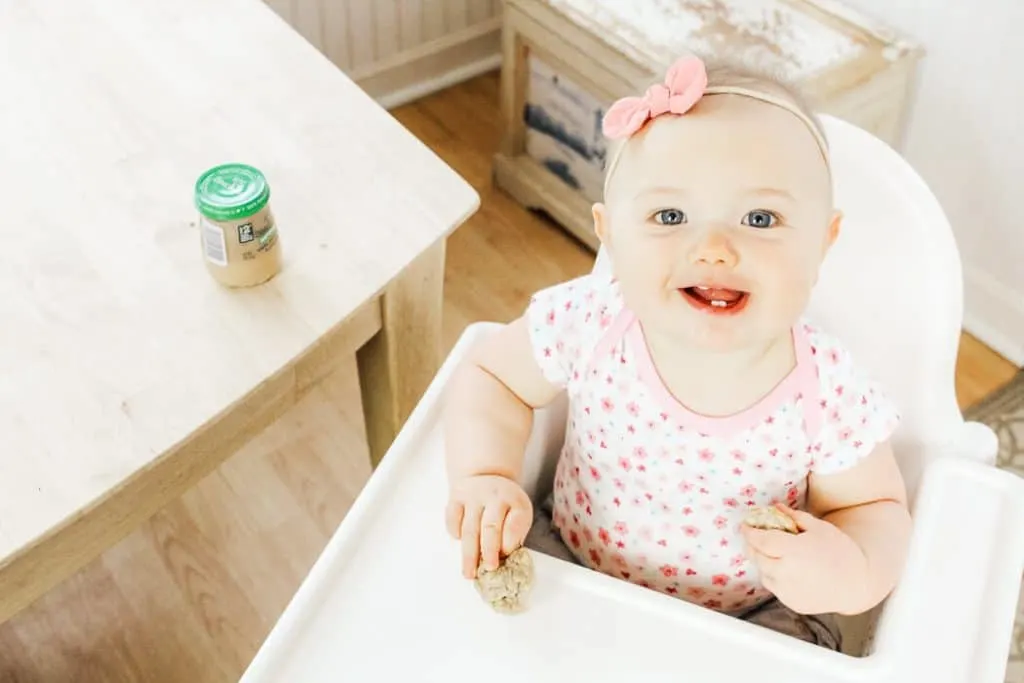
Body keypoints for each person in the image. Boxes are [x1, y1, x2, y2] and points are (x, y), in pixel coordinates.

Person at [442, 54, 912, 650]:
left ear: (823, 242)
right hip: (571, 561)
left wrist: (850, 569)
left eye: (760, 218)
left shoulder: (827, 389)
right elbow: (492, 377)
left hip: (748, 617)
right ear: (609, 233)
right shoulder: (591, 321)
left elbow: (877, 508)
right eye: (671, 215)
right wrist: (485, 473)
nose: (714, 247)